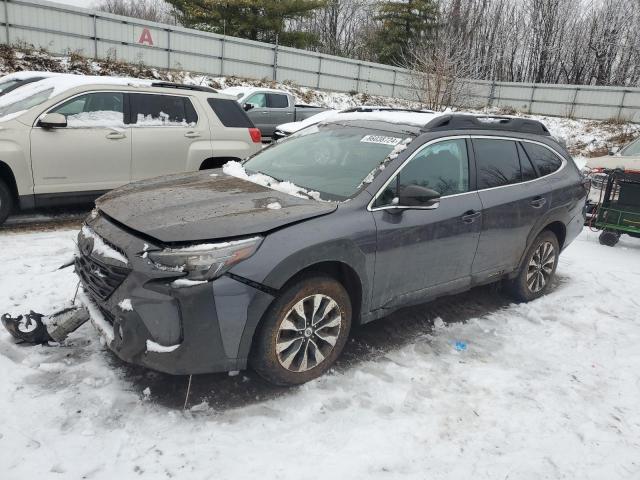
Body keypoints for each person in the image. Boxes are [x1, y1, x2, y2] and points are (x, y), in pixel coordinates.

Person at [1, 306, 89, 344]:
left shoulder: (25, 328)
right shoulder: (26, 330)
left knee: (81, 310)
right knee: (83, 311)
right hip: (51, 330)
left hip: (50, 328)